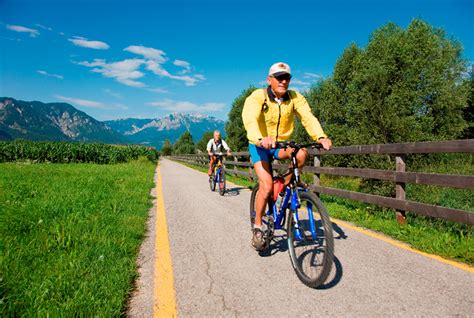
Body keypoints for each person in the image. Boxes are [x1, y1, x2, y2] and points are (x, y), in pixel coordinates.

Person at [242, 62, 332, 250]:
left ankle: (284, 184)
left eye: (286, 78)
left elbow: (308, 117)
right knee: (265, 187)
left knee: (301, 153)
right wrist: (259, 138)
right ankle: (258, 227)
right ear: (270, 80)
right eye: (279, 77)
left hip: (281, 144)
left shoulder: (295, 98)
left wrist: (321, 136)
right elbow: (250, 119)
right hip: (260, 145)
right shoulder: (258, 97)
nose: (283, 81)